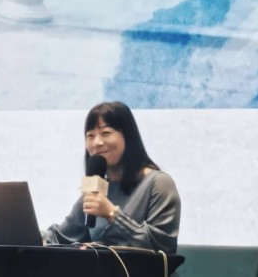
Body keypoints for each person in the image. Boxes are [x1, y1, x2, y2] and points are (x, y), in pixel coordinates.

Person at [44, 101, 181, 254]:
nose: (97, 143)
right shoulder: (96, 190)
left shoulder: (159, 183)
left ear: (128, 137)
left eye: (106, 133)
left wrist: (112, 214)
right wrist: (28, 233)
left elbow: (162, 247)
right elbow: (61, 237)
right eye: (90, 135)